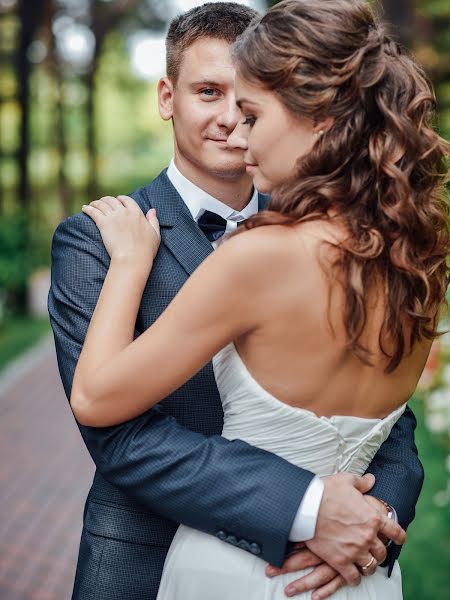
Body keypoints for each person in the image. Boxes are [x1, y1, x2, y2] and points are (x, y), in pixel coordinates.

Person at [48, 2, 432, 599]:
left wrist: (371, 517)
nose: (234, 123)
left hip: (321, 562)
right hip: (147, 561)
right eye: (209, 92)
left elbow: (393, 429)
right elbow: (122, 438)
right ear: (166, 98)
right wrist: (310, 510)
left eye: (249, 107)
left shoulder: (294, 249)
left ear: (319, 117)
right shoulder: (95, 237)